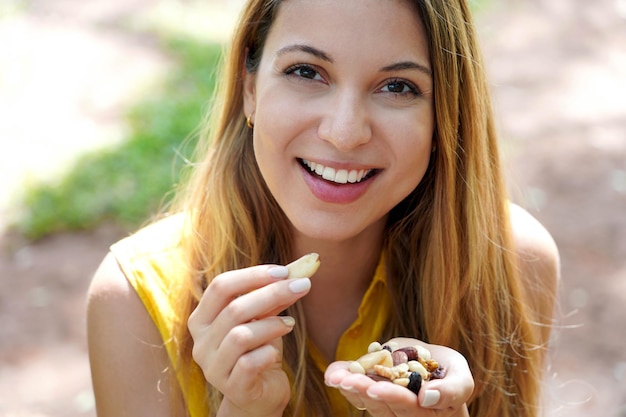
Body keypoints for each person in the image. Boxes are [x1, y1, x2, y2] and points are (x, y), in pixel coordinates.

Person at [87, 0, 560, 416]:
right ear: (249, 85)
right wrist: (246, 412)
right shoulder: (134, 300)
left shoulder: (515, 262)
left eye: (397, 87)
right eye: (306, 72)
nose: (344, 131)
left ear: (445, 115)